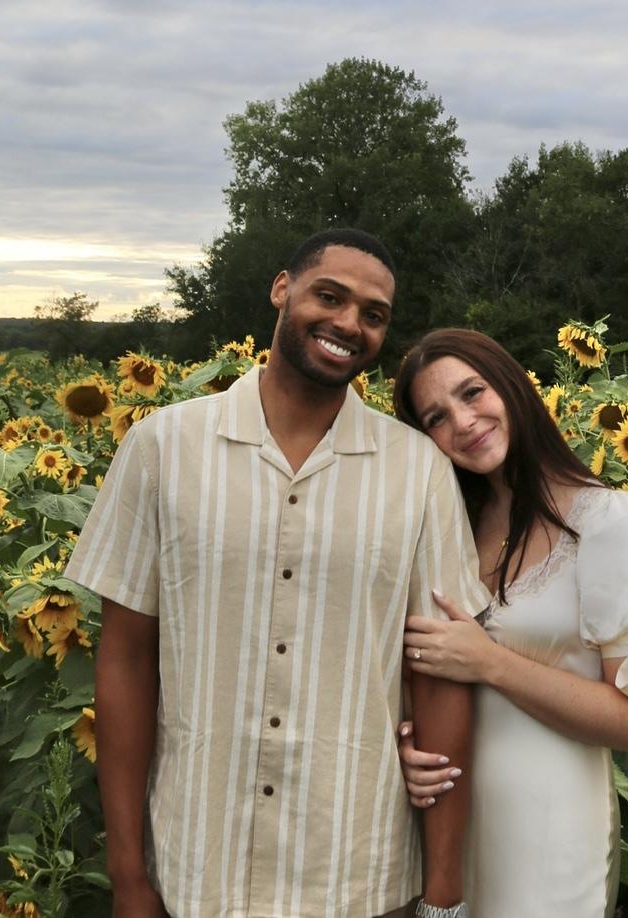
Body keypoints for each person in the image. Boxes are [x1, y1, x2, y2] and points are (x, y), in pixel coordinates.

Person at [65, 230, 488, 918]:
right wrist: (129, 876)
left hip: (357, 872)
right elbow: (125, 661)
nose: (349, 323)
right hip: (197, 866)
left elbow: (438, 676)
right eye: (330, 296)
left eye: (373, 314)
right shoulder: (161, 448)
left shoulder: (418, 471)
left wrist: (442, 890)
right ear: (281, 289)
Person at [391, 329, 628, 918]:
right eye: (436, 416)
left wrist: (490, 661)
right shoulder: (453, 528)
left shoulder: (609, 522)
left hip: (553, 829)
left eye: (472, 392)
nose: (462, 420)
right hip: (449, 827)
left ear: (511, 385)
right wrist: (410, 743)